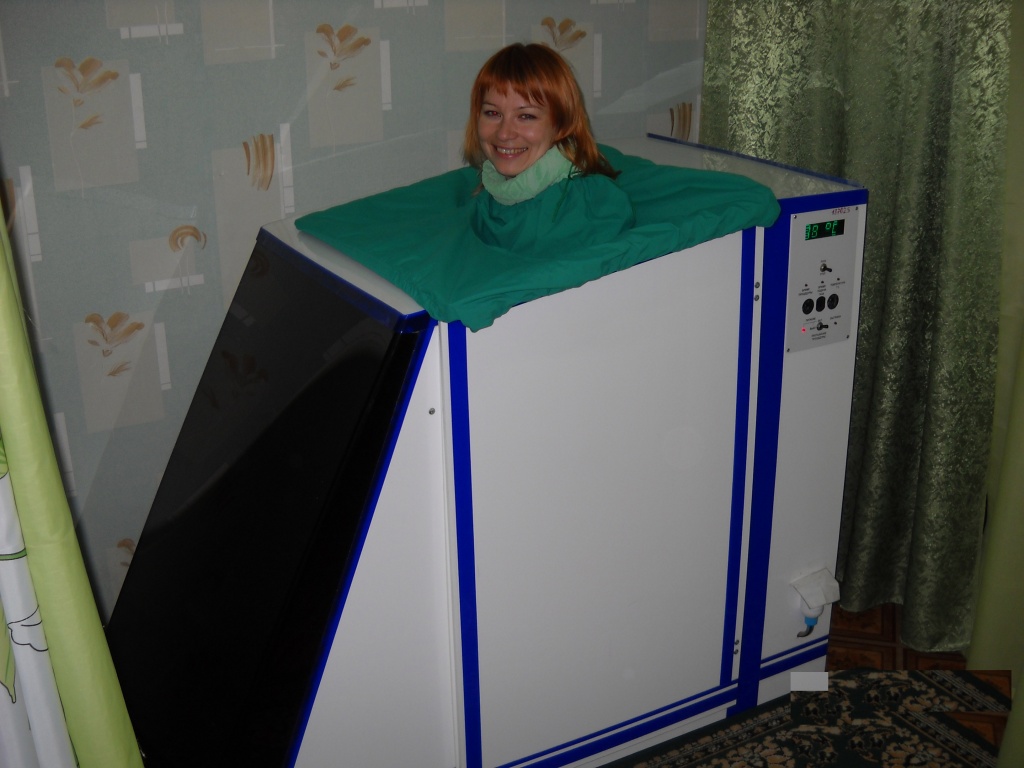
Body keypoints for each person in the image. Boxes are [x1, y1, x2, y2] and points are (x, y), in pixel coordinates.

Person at [463, 43, 618, 208]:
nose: (504, 134)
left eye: (526, 116)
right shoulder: (475, 191)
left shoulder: (589, 204)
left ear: (562, 125)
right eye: (493, 113)